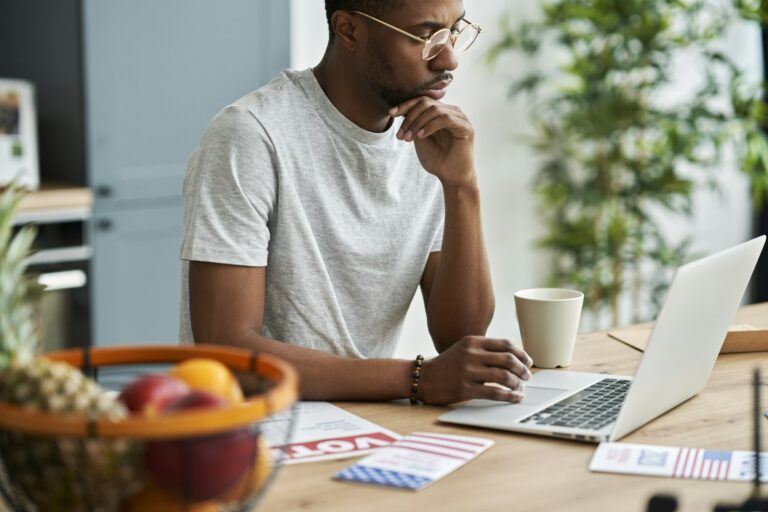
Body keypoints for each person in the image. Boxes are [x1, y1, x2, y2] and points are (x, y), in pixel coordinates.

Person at [180, 0, 533, 405]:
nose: (449, 57)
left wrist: (463, 187)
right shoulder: (251, 136)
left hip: (372, 419)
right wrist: (418, 379)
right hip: (256, 429)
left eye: (455, 30)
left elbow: (460, 338)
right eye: (425, 36)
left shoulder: (429, 140)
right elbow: (228, 353)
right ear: (349, 31)